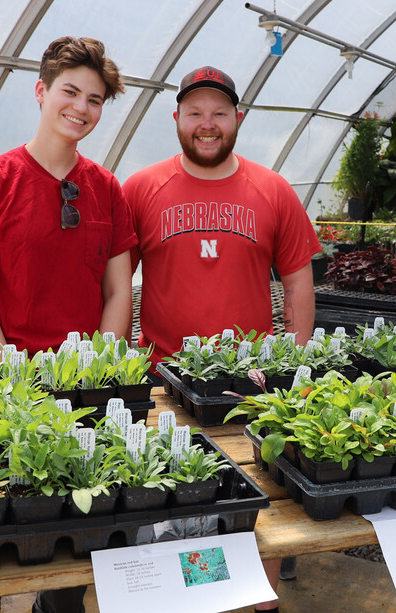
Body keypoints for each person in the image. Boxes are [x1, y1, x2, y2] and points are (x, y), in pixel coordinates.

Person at [0, 36, 134, 613]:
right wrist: (13, 377)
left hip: (80, 395)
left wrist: (96, 371)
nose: (81, 107)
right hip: (2, 389)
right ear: (41, 91)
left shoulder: (107, 190)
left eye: (95, 99)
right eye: (70, 92)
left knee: (66, 547)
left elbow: (119, 289)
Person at [123, 65, 321, 613]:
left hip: (252, 387)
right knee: (173, 508)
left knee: (260, 511)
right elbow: (116, 284)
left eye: (218, 113)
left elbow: (298, 281)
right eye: (195, 114)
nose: (206, 125)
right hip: (165, 388)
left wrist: (296, 364)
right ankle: (188, 601)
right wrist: (121, 371)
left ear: (238, 118)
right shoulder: (140, 189)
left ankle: (259, 603)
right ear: (177, 118)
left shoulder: (272, 189)